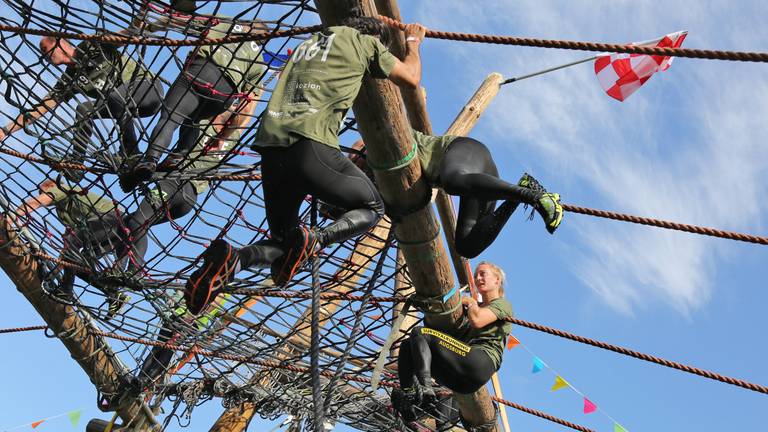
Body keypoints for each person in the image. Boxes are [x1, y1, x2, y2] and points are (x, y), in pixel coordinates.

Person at [183, 13, 427, 315]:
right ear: (375, 37)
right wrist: (413, 43)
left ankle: (235, 259)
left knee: (285, 243)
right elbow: (411, 78)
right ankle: (317, 239)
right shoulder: (366, 43)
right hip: (311, 146)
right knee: (373, 208)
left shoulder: (308, 43)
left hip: (272, 150)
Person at [121, 17, 266, 192]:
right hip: (224, 94)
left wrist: (149, 27)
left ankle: (150, 160)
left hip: (201, 71)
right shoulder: (259, 63)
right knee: (194, 118)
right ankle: (179, 156)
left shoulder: (224, 22)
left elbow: (181, 20)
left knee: (170, 117)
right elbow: (246, 109)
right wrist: (222, 137)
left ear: (246, 25)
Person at [0, 37, 163, 180]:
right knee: (84, 109)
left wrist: (139, 25)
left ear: (60, 43)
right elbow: (42, 108)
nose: (44, 55)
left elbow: (122, 37)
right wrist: (5, 131)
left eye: (45, 49)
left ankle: (131, 152)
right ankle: (76, 163)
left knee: (115, 96)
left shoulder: (90, 46)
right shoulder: (70, 78)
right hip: (126, 107)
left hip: (148, 89)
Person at [391, 261, 514, 422]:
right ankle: (408, 395)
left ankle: (425, 388)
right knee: (408, 345)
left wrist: (470, 302)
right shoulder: (475, 309)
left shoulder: (501, 304)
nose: (478, 278)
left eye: (483, 273)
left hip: (481, 361)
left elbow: (477, 320)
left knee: (419, 332)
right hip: (461, 382)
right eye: (476, 275)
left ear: (497, 280)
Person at [412, 129, 563, 258]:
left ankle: (534, 197)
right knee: (466, 247)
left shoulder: (395, 137)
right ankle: (519, 194)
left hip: (464, 151)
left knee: (453, 182)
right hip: (474, 177)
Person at [12, 178, 130, 317]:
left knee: (75, 245)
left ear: (50, 187)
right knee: (78, 266)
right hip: (109, 234)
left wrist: (12, 216)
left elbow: (36, 202)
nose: (40, 194)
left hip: (110, 220)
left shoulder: (64, 189)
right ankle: (114, 294)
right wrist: (53, 274)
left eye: (41, 191)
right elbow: (68, 248)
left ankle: (66, 291)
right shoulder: (62, 211)